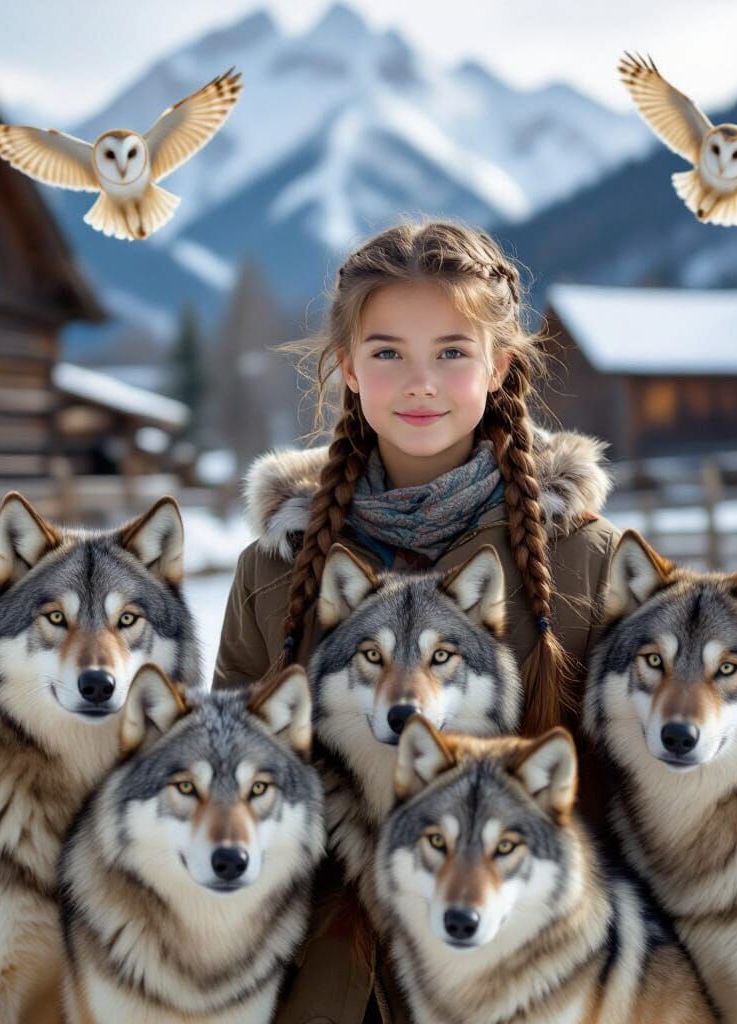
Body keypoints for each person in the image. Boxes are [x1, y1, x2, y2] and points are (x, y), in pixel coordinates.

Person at [212, 219, 619, 1023]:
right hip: (315, 985)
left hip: (528, 983)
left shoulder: (585, 560)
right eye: (388, 351)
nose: (420, 381)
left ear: (501, 365)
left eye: (453, 352)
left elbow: (638, 799)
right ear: (348, 369)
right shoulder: (275, 568)